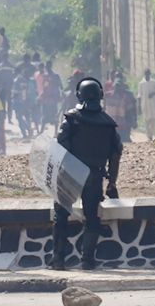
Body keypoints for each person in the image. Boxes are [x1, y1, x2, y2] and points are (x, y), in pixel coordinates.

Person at [51, 77, 122, 271]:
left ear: (79, 95)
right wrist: (112, 183)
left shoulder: (72, 119)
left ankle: (58, 260)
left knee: (61, 215)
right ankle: (88, 260)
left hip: (71, 173)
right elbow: (115, 156)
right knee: (92, 218)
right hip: (95, 175)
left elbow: (60, 146)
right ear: (100, 95)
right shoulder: (108, 125)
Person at [138, 69, 155, 140]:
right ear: (144, 74)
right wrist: (138, 106)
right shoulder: (141, 83)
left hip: (153, 104)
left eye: (148, 74)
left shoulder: (154, 82)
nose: (147, 75)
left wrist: (152, 94)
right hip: (145, 104)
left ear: (150, 74)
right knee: (146, 120)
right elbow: (139, 96)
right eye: (146, 74)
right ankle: (149, 136)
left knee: (153, 120)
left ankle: (151, 133)